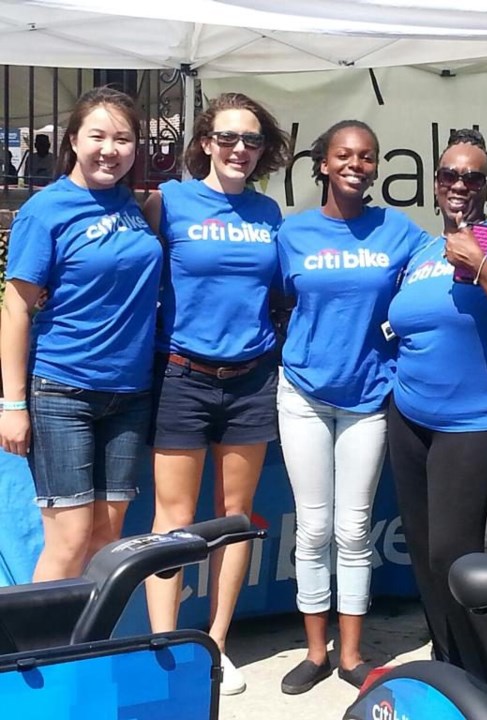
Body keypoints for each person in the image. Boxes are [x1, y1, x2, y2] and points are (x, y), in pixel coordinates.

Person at [386, 128, 487, 711]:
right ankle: (449, 676)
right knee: (425, 558)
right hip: (409, 419)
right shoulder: (421, 251)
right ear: (434, 184)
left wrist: (482, 267)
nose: (459, 184)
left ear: (486, 185)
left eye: (472, 176)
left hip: (474, 422)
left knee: (453, 559)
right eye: (450, 175)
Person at [275, 120, 431, 695]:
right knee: (313, 528)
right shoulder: (293, 234)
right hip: (303, 395)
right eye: (344, 154)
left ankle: (353, 656)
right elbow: (276, 299)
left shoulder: (398, 230)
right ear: (322, 163)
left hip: (369, 397)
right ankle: (316, 653)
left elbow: (446, 259)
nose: (356, 164)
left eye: (366, 156)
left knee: (355, 528)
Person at [142, 92, 289, 696]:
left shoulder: (270, 213)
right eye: (226, 138)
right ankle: (162, 650)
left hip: (251, 379)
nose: (238, 149)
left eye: (250, 140)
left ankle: (214, 647)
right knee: (172, 523)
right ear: (205, 141)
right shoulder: (169, 202)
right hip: (181, 375)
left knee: (233, 522)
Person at [0, 87, 162, 581]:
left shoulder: (141, 206)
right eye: (97, 136)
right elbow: (15, 309)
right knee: (68, 539)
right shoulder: (46, 211)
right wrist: (12, 405)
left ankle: (84, 654)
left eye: (122, 138)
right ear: (73, 140)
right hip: (62, 391)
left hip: (128, 395)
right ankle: (36, 655)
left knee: (106, 539)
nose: (109, 149)